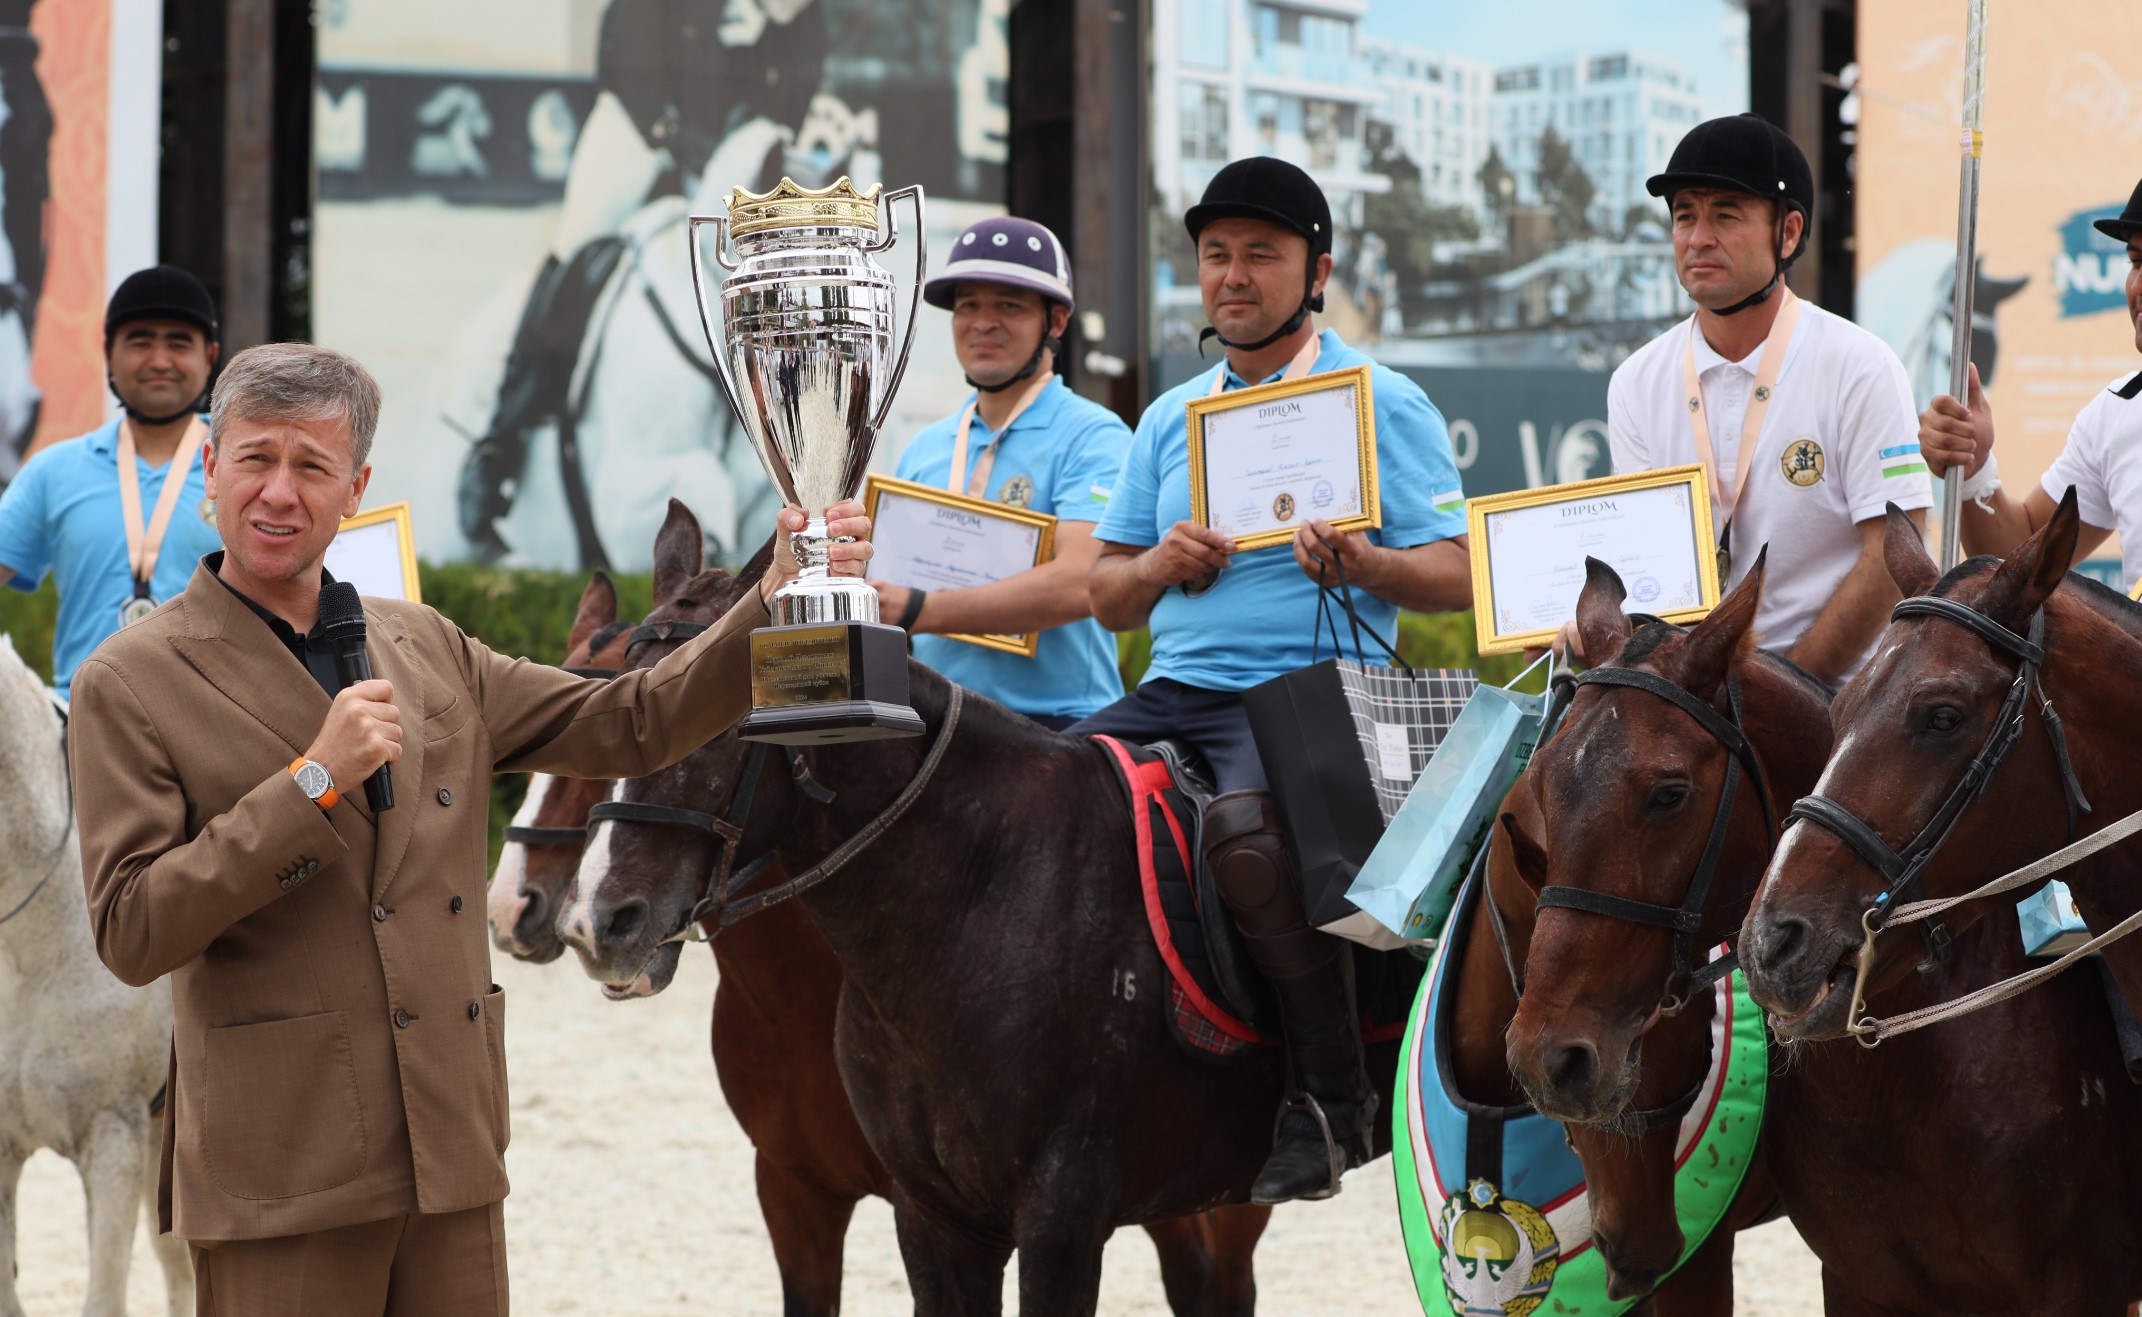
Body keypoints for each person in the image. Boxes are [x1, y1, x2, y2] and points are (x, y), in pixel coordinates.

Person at [67, 341, 870, 1313]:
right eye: (256, 459)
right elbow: (133, 929)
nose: (279, 493)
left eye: (312, 467)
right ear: (210, 469)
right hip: (281, 1169)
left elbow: (631, 718)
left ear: (355, 487)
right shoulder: (131, 682)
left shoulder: (424, 641)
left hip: (447, 1146)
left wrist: (770, 596)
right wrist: (311, 783)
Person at [1075, 157, 1473, 1204]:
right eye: (1216, 255)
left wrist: (1366, 563)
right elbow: (1106, 596)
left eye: (1261, 253)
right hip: (1175, 689)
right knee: (1038, 796)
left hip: (1306, 700)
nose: (1234, 276)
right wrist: (1161, 563)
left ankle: (1330, 1101)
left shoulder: (1383, 399)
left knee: (1247, 836)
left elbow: (1462, 575)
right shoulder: (1170, 417)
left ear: (1318, 270)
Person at [457, 0, 827, 562]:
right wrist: (672, 137)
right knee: (573, 249)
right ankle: (501, 444)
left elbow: (790, 102)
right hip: (638, 131)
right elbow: (624, 53)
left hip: (727, 157)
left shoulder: (803, 17)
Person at [1599, 113, 1931, 681]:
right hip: (1691, 703)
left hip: (1839, 701)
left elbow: (1894, 553)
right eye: (1684, 215)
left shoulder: (1860, 365)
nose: (1698, 237)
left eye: (1726, 215)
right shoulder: (1637, 380)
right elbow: (1646, 569)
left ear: (1790, 232)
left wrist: (1786, 688)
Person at [870, 216, 1130, 729]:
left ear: (1055, 322)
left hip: (1057, 727)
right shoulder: (926, 448)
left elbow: (1084, 581)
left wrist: (921, 609)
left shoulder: (1095, 436)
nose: (982, 322)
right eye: (968, 305)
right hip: (932, 725)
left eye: (1008, 305)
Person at [0, 265, 224, 698]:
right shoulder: (56, 469)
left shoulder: (250, 464)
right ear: (108, 353)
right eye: (140, 342)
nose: (160, 360)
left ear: (210, 356)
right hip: (82, 720)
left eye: (179, 343)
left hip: (214, 720)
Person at [1917, 178, 2142, 583]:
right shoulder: (2117, 413)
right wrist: (1974, 470)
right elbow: (2019, 561)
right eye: (2137, 263)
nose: (2138, 287)